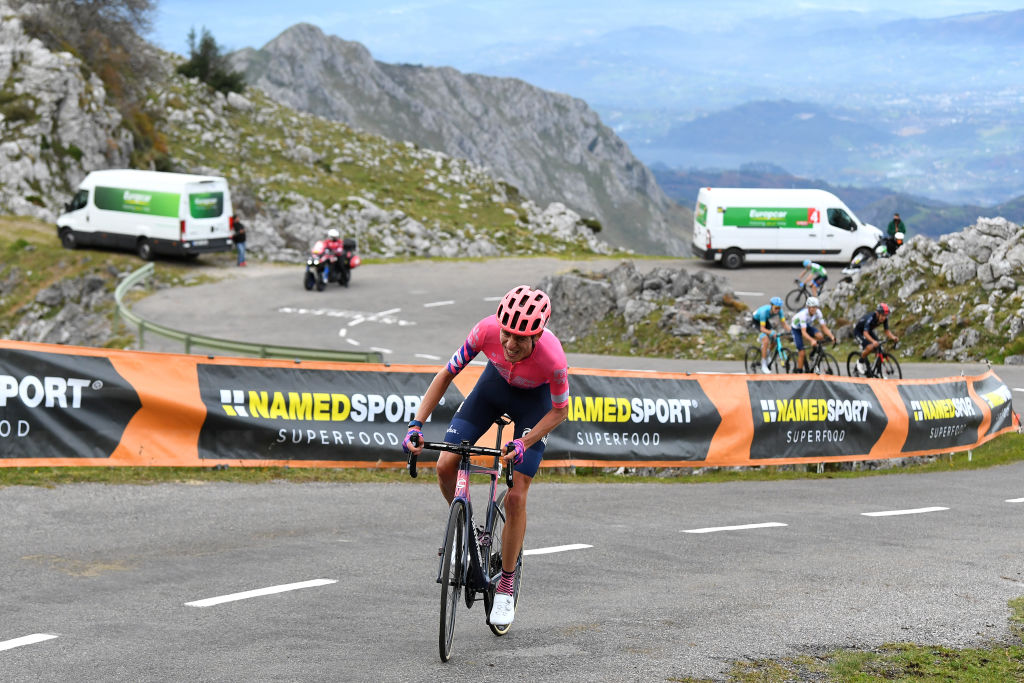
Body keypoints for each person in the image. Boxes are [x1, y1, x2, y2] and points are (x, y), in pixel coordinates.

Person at [402, 285, 569, 627]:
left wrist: (525, 442)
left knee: (517, 495)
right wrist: (416, 424)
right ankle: (469, 532)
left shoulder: (554, 360)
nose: (509, 344)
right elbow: (447, 374)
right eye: (507, 333)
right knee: (446, 464)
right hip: (491, 391)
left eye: (520, 339)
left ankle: (506, 585)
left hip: (533, 406)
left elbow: (560, 411)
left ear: (537, 336)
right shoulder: (484, 330)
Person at [790, 296, 836, 373]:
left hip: (806, 325)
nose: (813, 309)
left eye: (815, 307)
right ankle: (799, 373)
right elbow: (803, 332)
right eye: (811, 307)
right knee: (801, 352)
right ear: (808, 307)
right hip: (796, 329)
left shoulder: (818, 312)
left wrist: (831, 336)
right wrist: (812, 340)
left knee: (820, 336)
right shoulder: (803, 315)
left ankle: (812, 353)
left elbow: (823, 327)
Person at [853, 303, 899, 375]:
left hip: (868, 331)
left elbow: (886, 331)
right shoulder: (870, 318)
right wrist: (873, 341)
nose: (884, 317)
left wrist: (893, 337)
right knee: (870, 347)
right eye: (882, 315)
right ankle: (860, 362)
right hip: (859, 332)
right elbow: (865, 333)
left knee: (879, 348)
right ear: (877, 313)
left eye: (885, 315)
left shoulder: (884, 319)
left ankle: (878, 371)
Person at [751, 296, 792, 374]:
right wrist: (770, 332)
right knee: (766, 340)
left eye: (779, 308)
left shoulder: (780, 311)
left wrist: (791, 331)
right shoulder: (764, 312)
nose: (777, 310)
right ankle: (763, 364)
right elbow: (762, 329)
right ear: (771, 306)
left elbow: (784, 324)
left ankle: (767, 353)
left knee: (776, 338)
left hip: (765, 321)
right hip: (757, 321)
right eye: (776, 308)